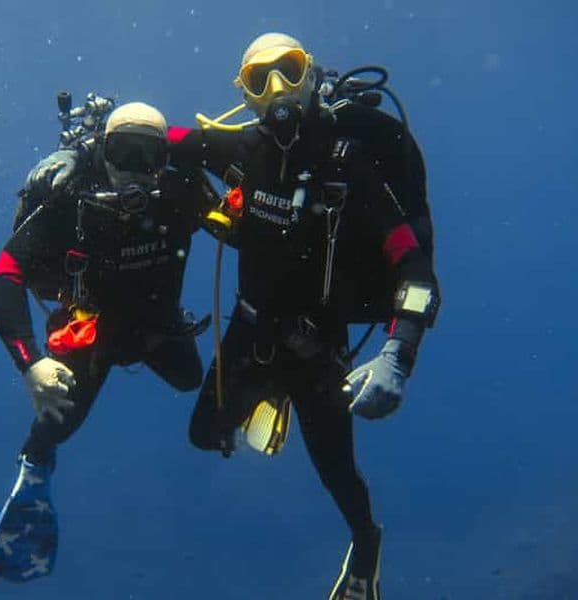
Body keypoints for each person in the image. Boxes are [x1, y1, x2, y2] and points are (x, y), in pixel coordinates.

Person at [36, 33, 440, 600]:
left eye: (289, 71)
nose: (276, 90)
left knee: (339, 472)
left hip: (318, 342)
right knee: (205, 435)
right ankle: (270, 396)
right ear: (244, 95)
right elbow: (146, 139)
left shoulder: (348, 168)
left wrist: (398, 355)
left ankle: (366, 548)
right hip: (252, 329)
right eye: (259, 79)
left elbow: (415, 269)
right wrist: (74, 153)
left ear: (311, 76)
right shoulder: (237, 149)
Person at [0, 102, 216, 582]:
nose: (133, 170)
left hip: (157, 327)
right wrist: (31, 367)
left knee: (191, 378)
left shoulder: (182, 192)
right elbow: (2, 279)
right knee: (57, 418)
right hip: (94, 334)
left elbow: (239, 224)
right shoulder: (70, 201)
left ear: (166, 158)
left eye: (147, 154)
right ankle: (34, 466)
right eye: (121, 152)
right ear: (101, 154)